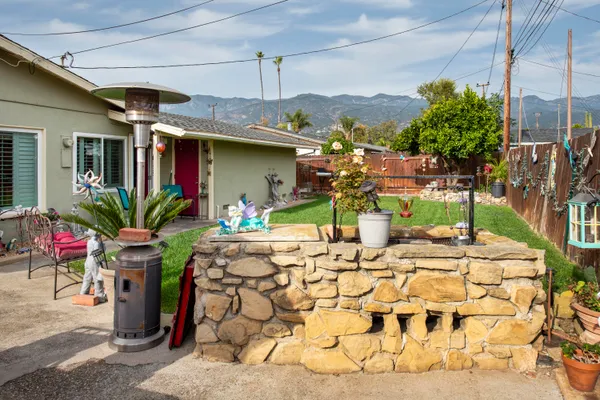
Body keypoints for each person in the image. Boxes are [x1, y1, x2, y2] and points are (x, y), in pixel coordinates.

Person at [80, 229, 107, 302]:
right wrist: (102, 246)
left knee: (87, 277)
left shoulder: (89, 242)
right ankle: (100, 296)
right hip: (94, 261)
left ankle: (83, 292)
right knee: (97, 278)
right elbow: (98, 252)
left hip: (88, 260)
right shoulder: (96, 243)